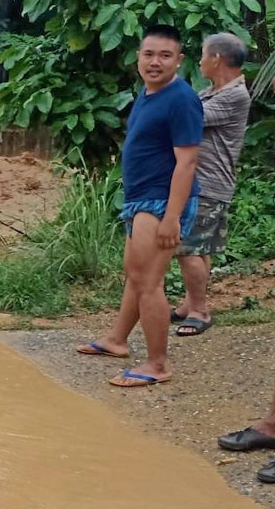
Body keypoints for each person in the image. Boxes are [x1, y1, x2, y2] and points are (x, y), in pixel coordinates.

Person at [77, 24, 202, 388]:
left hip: (161, 202)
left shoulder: (181, 98)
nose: (155, 62)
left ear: (179, 60)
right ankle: (117, 340)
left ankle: (157, 364)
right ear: (138, 57)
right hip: (142, 200)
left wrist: (172, 217)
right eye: (149, 54)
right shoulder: (149, 93)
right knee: (136, 275)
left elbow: (188, 162)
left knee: (149, 281)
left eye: (165, 55)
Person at [170, 33, 251, 337]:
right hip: (203, 183)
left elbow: (190, 117)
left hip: (208, 183)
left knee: (187, 248)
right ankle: (189, 303)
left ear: (216, 59)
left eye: (203, 55)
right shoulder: (212, 91)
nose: (200, 61)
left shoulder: (234, 95)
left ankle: (199, 310)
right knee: (199, 248)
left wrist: (166, 83)